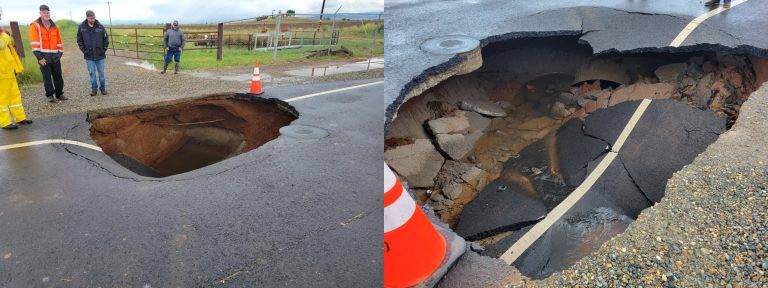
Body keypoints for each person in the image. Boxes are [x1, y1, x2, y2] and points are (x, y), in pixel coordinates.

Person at [0, 8, 33, 130]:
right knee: (2, 98)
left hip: (8, 70)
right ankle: (5, 122)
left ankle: (20, 118)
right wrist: (5, 35)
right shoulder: (2, 35)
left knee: (15, 95)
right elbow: (2, 44)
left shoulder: (2, 33)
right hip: (1, 73)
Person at [29, 4, 67, 102]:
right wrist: (39, 58)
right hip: (43, 57)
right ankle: (50, 95)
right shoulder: (35, 26)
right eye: (44, 12)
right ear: (40, 13)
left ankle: (59, 94)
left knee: (58, 76)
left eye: (48, 12)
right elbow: (34, 43)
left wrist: (59, 54)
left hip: (55, 56)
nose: (46, 14)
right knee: (47, 78)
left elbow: (59, 42)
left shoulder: (55, 27)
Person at [76, 10, 109, 96]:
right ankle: (94, 89)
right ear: (87, 17)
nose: (93, 19)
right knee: (92, 73)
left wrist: (103, 49)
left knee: (101, 73)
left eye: (94, 17)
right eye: (91, 18)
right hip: (89, 56)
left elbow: (106, 39)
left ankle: (103, 88)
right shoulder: (82, 27)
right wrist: (84, 51)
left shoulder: (100, 26)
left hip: (100, 55)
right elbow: (79, 41)